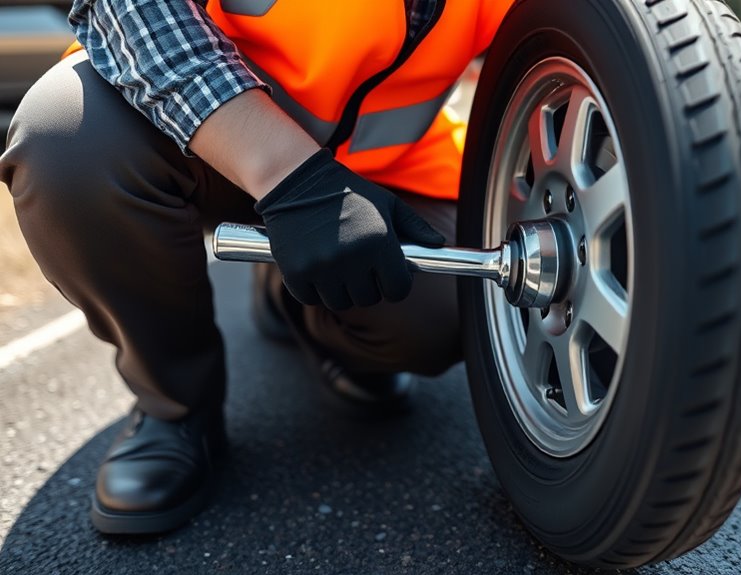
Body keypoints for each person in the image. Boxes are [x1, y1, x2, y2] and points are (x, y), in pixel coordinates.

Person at [0, 0, 511, 535]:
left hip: (378, 171)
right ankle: (175, 408)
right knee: (67, 145)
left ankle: (297, 296)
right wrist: (292, 178)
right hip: (176, 129)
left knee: (458, 304)